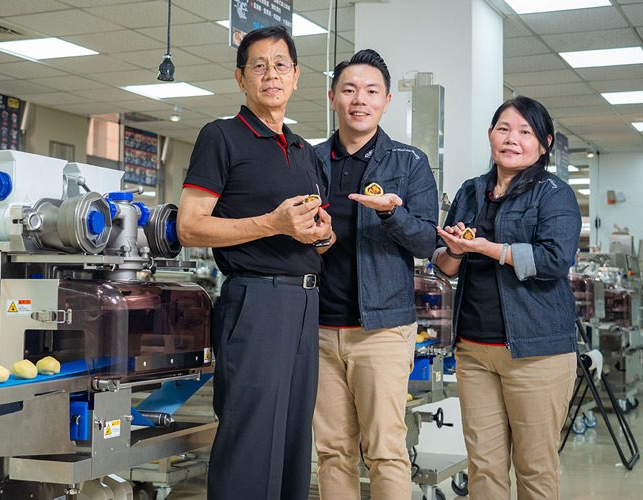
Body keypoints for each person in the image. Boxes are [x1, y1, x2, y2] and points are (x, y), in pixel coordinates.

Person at [175, 26, 334, 500]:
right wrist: (273, 223)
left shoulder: (307, 151)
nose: (271, 74)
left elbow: (316, 234)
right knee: (251, 436)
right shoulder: (221, 136)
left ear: (296, 77)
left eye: (280, 64)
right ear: (241, 78)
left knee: (291, 439)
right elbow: (189, 227)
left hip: (307, 303)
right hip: (256, 301)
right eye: (258, 66)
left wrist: (323, 235)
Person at [433, 96, 580, 499]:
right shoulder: (469, 192)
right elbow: (445, 266)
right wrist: (457, 251)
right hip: (475, 350)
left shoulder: (554, 194)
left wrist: (488, 248)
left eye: (525, 132)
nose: (512, 139)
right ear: (490, 135)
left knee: (534, 468)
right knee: (484, 468)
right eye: (503, 129)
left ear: (544, 143)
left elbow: (554, 260)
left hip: (537, 351)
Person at [312, 49, 438, 500]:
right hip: (319, 328)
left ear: (386, 102)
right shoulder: (309, 161)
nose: (358, 100)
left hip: (382, 329)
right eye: (348, 90)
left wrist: (392, 215)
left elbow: (428, 243)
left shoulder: (410, 163)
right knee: (331, 451)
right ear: (332, 97)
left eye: (370, 91)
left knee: (385, 450)